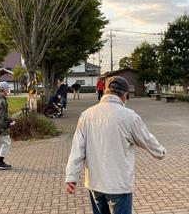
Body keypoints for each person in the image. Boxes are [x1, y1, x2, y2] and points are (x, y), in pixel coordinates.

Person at [65, 76, 166, 214]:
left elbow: (77, 149)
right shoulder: (129, 116)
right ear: (125, 95)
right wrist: (160, 152)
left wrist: (71, 176)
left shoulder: (86, 115)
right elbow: (146, 139)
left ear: (106, 91)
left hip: (95, 184)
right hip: (118, 184)